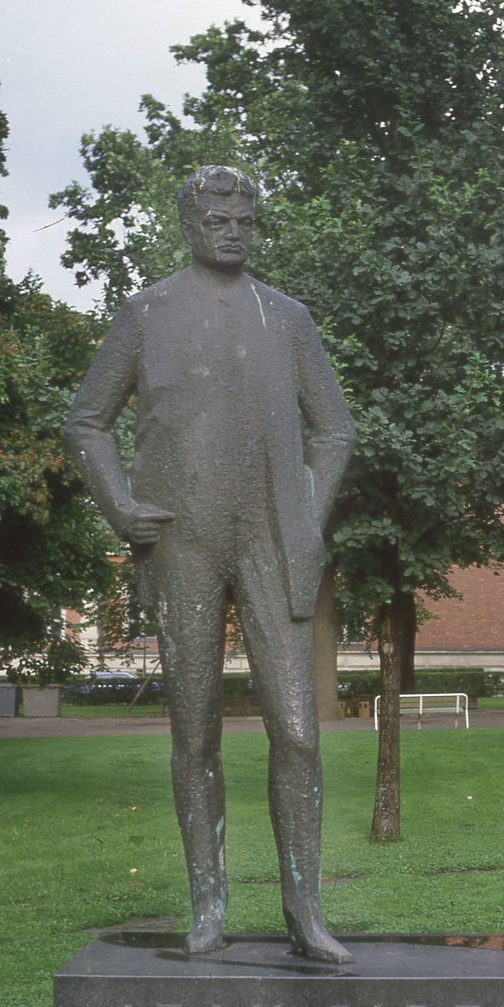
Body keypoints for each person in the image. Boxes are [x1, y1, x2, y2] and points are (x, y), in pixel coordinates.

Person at [65, 166, 356, 963]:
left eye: (244, 219)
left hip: (271, 541)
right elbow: (87, 421)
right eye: (217, 218)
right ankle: (208, 909)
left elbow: (334, 430)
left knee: (297, 735)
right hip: (182, 543)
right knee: (193, 734)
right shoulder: (147, 312)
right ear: (189, 224)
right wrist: (122, 508)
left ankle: (305, 912)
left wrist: (308, 511)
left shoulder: (287, 318)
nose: (232, 229)